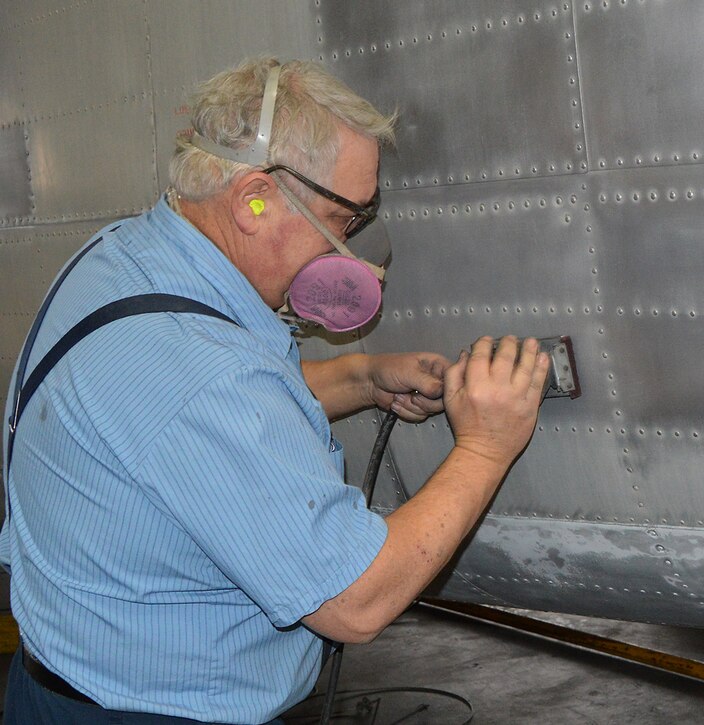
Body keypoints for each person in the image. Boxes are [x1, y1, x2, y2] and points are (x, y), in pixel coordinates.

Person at [0, 57, 550, 724]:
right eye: (344, 217)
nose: (352, 247)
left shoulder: (124, 255)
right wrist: (488, 445)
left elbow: (186, 439)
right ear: (253, 200)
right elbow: (355, 600)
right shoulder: (202, 375)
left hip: (65, 681)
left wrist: (362, 377)